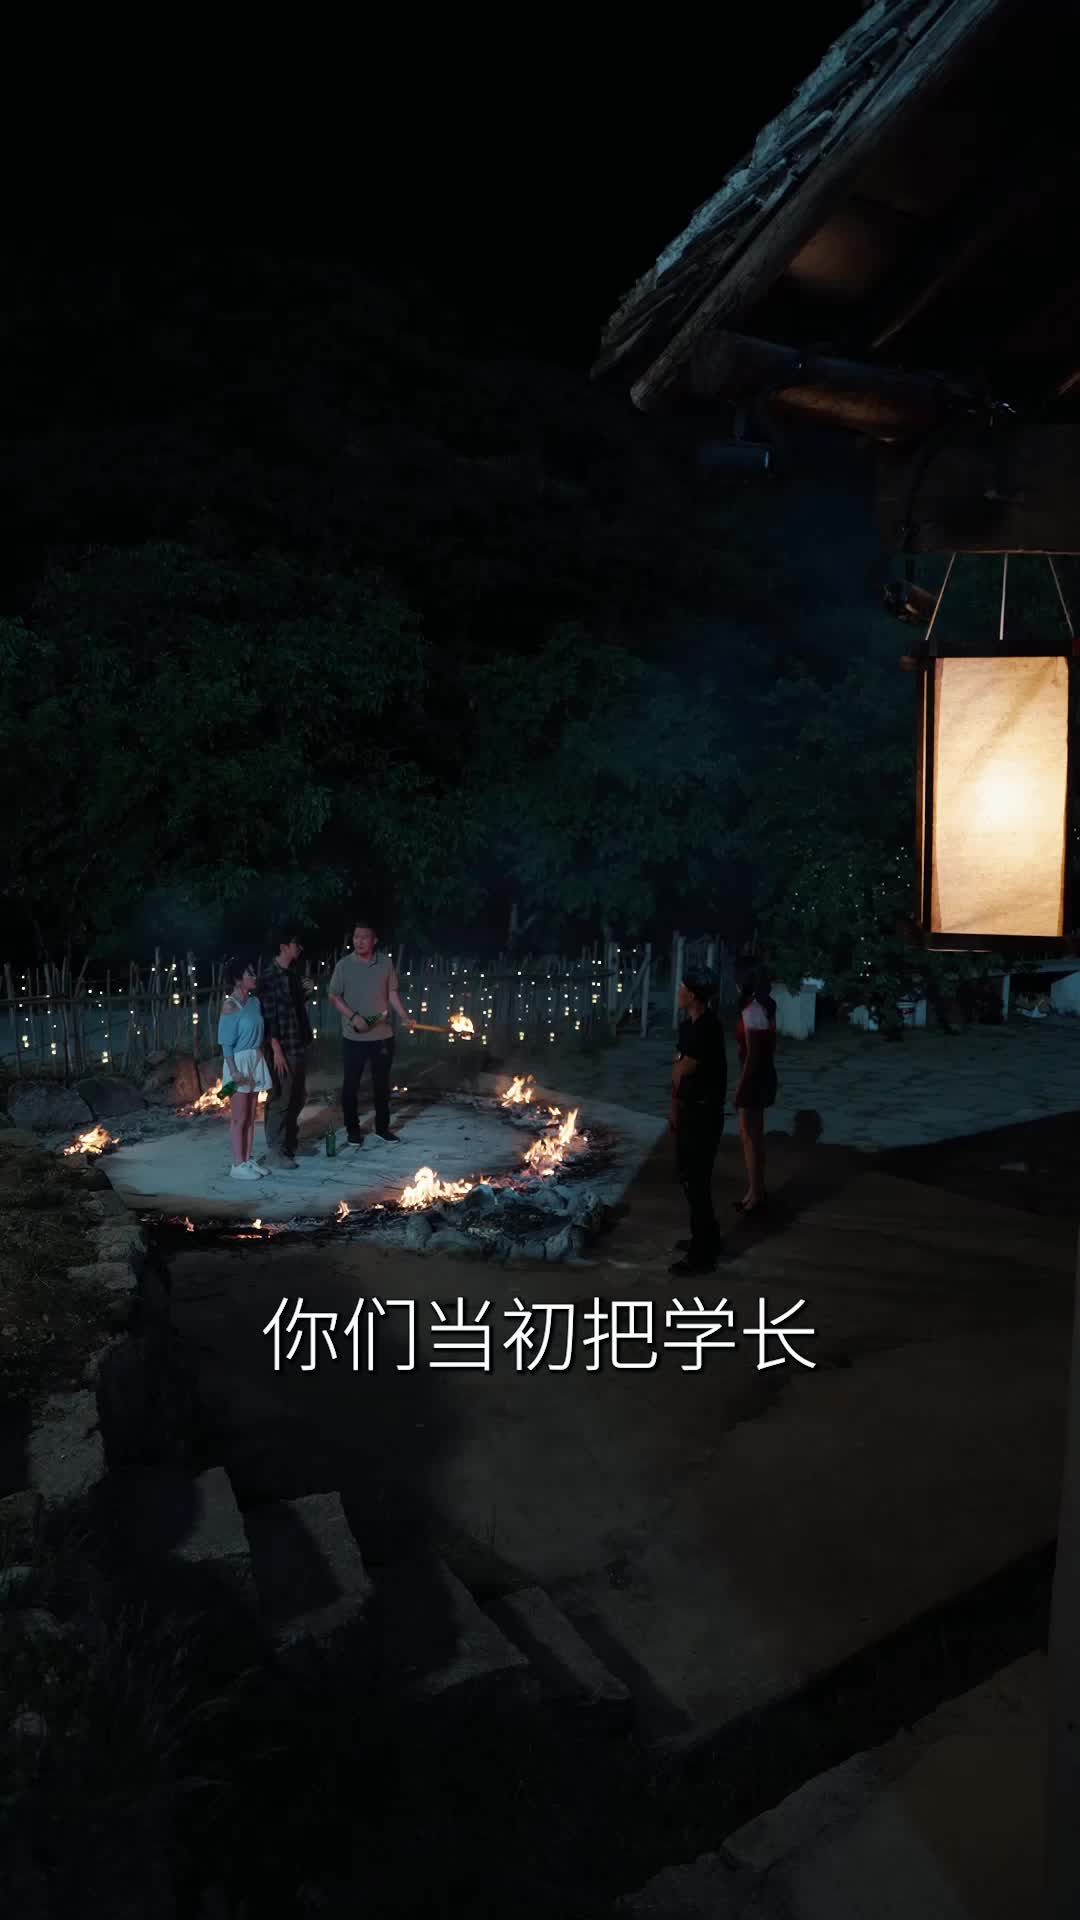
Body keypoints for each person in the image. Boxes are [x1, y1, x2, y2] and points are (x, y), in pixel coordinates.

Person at [328, 920, 416, 1145]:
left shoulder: (385, 963)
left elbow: (392, 993)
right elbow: (334, 996)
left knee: (382, 1085)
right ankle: (353, 1130)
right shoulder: (344, 965)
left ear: (374, 940)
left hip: (382, 1036)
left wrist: (404, 1015)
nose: (359, 941)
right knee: (351, 1085)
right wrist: (353, 1017)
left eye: (364, 937)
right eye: (356, 937)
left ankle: (382, 1128)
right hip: (354, 1036)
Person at [669, 967, 728, 1276]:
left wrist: (680, 1066)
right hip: (688, 1109)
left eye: (682, 988)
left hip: (703, 1114)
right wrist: (674, 1108)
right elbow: (677, 1068)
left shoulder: (707, 1027)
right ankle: (707, 1237)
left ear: (692, 995)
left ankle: (702, 1254)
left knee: (697, 1181)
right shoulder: (687, 1026)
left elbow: (684, 1067)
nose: (678, 992)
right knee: (689, 1177)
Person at [258, 929, 315, 1170]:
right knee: (281, 1097)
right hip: (282, 1047)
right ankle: (275, 1150)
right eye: (295, 943)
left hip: (296, 1042)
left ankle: (290, 1143)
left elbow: (291, 1008)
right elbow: (268, 1017)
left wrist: (305, 993)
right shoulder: (269, 977)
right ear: (283, 947)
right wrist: (276, 1050)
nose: (299, 948)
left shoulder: (290, 974)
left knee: (298, 1096)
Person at [217, 959, 273, 1180]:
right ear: (238, 979)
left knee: (250, 1116)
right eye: (250, 974)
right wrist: (233, 1071)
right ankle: (237, 1164)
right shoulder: (230, 1006)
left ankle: (247, 1159)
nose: (254, 977)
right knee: (239, 1118)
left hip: (255, 1059)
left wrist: (259, 1053)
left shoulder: (254, 1002)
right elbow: (225, 1043)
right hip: (238, 1062)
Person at [734, 973, 778, 1215]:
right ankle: (756, 1190)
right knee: (755, 1135)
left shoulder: (751, 1011)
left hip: (753, 1076)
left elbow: (751, 1055)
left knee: (748, 1136)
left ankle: (755, 1192)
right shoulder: (765, 1009)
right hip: (764, 1073)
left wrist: (740, 1086)